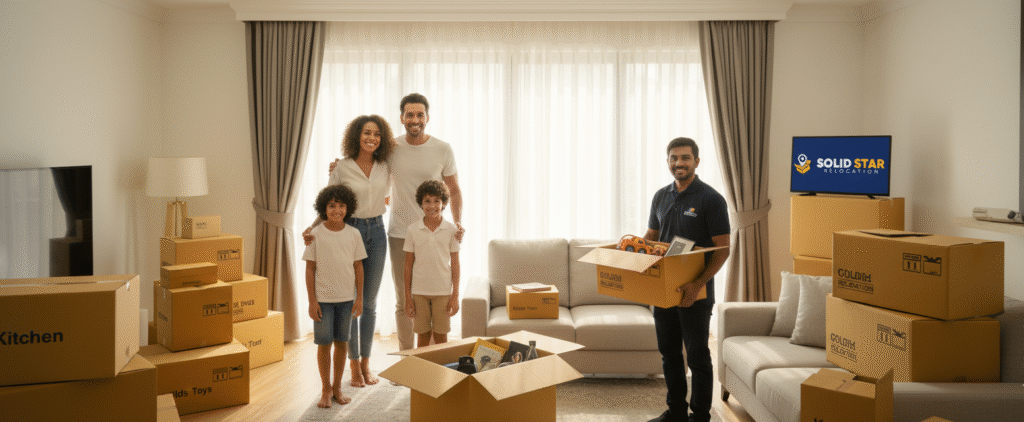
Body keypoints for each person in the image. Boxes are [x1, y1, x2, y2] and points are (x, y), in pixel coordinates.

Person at [304, 115, 394, 388]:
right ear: (357, 136)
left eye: (377, 134)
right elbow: (330, 200)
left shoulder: (386, 165)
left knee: (369, 304)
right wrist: (312, 227)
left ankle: (367, 363)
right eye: (367, 132)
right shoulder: (342, 167)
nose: (372, 138)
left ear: (382, 139)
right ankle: (353, 367)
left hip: (377, 233)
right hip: (349, 232)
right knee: (351, 302)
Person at [645, 137, 730, 422]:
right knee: (669, 354)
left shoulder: (711, 199)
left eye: (684, 158)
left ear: (696, 161)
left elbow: (723, 250)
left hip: (695, 291)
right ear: (667, 161)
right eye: (673, 158)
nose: (678, 163)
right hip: (664, 290)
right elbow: (651, 239)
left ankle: (701, 416)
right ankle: (676, 411)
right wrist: (633, 254)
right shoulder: (660, 196)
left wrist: (698, 284)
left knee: (697, 356)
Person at [387, 93, 463, 351]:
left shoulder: (442, 148)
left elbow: (453, 189)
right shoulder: (391, 147)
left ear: (427, 118)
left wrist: (458, 222)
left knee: (435, 296)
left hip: (435, 233)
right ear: (401, 118)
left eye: (420, 115)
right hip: (399, 233)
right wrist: (338, 166)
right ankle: (407, 360)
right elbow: (368, 172)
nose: (415, 119)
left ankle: (431, 359)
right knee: (404, 300)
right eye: (410, 114)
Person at [302, 184, 367, 408]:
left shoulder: (354, 234)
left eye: (341, 205)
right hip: (322, 301)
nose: (337, 210)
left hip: (347, 300)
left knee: (342, 343)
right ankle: (325, 389)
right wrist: (312, 301)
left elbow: (359, 267)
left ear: (348, 208)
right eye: (331, 205)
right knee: (324, 344)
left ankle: (338, 387)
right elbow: (310, 268)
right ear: (324, 208)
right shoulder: (315, 235)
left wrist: (359, 298)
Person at [403, 180, 461, 348]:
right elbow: (408, 265)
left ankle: (441, 373)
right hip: (419, 292)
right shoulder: (413, 230)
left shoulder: (451, 230)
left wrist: (454, 294)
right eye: (427, 201)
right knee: (422, 337)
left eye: (437, 201)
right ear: (421, 203)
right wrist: (408, 297)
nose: (432, 205)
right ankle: (423, 374)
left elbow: (456, 263)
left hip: (443, 292)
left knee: (441, 338)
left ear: (443, 203)